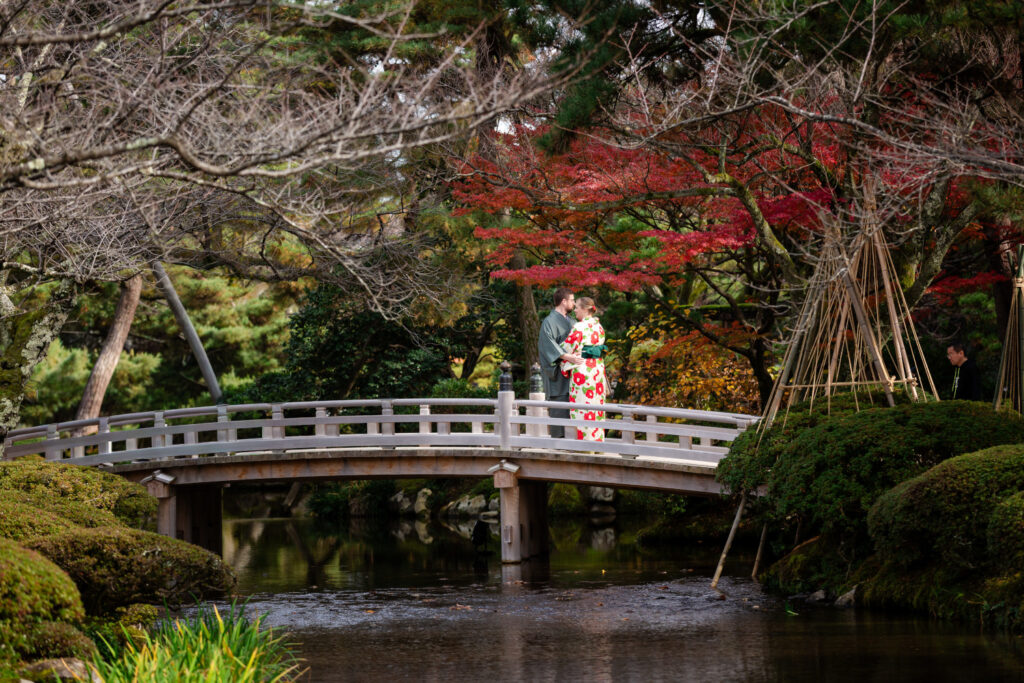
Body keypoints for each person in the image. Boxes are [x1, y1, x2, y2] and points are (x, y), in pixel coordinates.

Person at [560, 297, 607, 441]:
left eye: (577, 308)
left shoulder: (579, 327)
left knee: (582, 406)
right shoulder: (599, 327)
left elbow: (566, 348)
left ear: (585, 309)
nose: (575, 311)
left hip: (583, 370)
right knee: (596, 406)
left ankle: (585, 443)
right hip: (597, 369)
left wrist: (562, 357)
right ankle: (597, 441)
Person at [538, 287, 582, 438]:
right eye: (572, 300)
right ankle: (559, 445)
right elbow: (548, 346)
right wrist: (569, 357)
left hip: (574, 373)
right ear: (564, 301)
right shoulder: (549, 322)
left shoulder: (572, 321)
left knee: (576, 409)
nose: (574, 303)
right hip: (558, 374)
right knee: (560, 409)